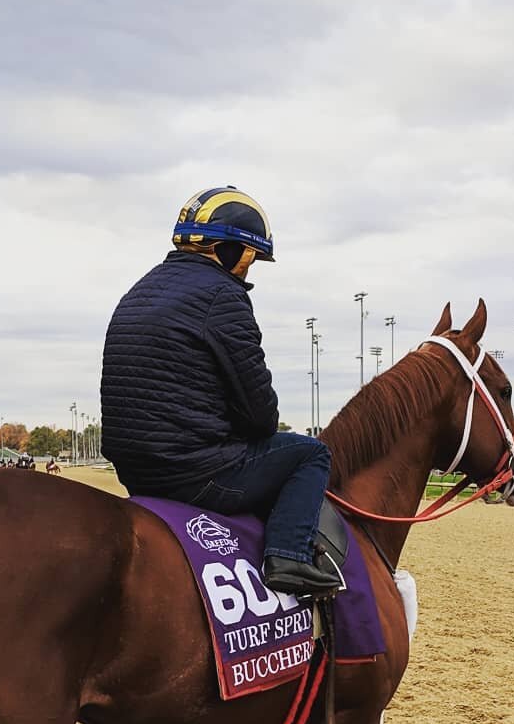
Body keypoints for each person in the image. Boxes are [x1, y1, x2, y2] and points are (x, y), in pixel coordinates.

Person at [100, 186, 339, 595]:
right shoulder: (222, 296)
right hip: (193, 473)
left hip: (136, 473)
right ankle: (288, 558)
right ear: (231, 251)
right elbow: (260, 416)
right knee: (312, 454)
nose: (249, 270)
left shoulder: (141, 288)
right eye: (251, 259)